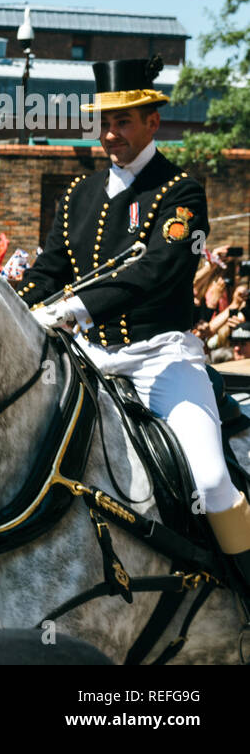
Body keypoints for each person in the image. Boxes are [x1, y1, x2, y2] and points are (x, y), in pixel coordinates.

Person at [15, 56, 250, 591]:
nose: (109, 133)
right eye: (103, 122)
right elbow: (51, 269)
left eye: (123, 121)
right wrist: (4, 301)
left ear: (152, 123)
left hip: (161, 357)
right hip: (91, 359)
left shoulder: (181, 191)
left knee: (212, 480)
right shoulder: (78, 194)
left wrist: (72, 309)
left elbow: (158, 270)